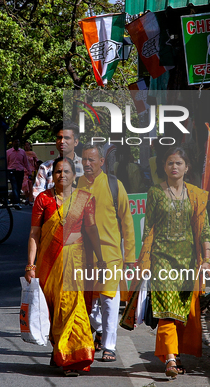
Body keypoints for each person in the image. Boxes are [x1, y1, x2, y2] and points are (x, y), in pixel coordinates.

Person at [25, 157, 105, 377]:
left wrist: (100, 258)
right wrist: (30, 265)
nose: (62, 175)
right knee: (53, 309)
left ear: (74, 175)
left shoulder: (84, 199)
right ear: (53, 176)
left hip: (77, 262)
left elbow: (91, 231)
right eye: (58, 171)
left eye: (66, 171)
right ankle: (58, 349)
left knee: (75, 309)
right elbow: (34, 233)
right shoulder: (43, 199)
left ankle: (72, 360)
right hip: (49, 263)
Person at [143, 146, 210, 378]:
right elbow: (148, 228)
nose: (174, 167)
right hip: (161, 259)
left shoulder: (196, 194)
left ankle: (175, 353)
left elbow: (204, 230)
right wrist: (144, 260)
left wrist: (207, 259)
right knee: (166, 311)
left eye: (178, 163)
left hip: (187, 262)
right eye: (170, 163)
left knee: (182, 311)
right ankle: (170, 359)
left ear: (186, 167)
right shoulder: (154, 192)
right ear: (164, 167)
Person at [76, 143, 136, 363]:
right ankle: (98, 329)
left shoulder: (113, 185)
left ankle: (109, 346)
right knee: (87, 301)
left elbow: (127, 222)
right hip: (83, 254)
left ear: (102, 162)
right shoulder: (76, 185)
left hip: (110, 254)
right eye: (84, 160)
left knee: (109, 299)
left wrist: (129, 256)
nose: (87, 164)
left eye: (91, 160)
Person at [33, 124, 84, 199]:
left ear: (76, 142)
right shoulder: (46, 168)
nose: (62, 141)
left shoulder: (85, 166)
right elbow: (38, 197)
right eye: (59, 138)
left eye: (67, 138)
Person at [6, 138, 29, 208]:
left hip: (20, 171)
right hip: (11, 171)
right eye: (15, 142)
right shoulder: (8, 152)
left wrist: (29, 171)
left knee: (19, 187)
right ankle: (16, 202)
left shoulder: (22, 152)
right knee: (14, 186)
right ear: (12, 143)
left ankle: (15, 200)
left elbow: (25, 162)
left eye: (18, 142)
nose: (17, 143)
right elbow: (6, 162)